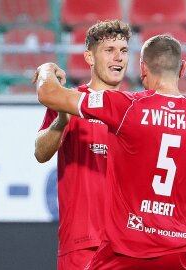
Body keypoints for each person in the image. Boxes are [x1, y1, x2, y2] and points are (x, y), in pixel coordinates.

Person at [34, 35, 186, 269]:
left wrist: (46, 69)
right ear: (183, 68)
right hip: (180, 255)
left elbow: (49, 94)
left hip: (126, 252)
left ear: (143, 68)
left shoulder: (127, 108)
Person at [34, 20, 131, 270]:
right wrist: (61, 122)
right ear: (89, 57)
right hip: (82, 244)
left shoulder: (136, 108)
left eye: (124, 50)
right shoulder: (68, 101)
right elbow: (40, 153)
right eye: (109, 50)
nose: (118, 57)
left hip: (129, 244)